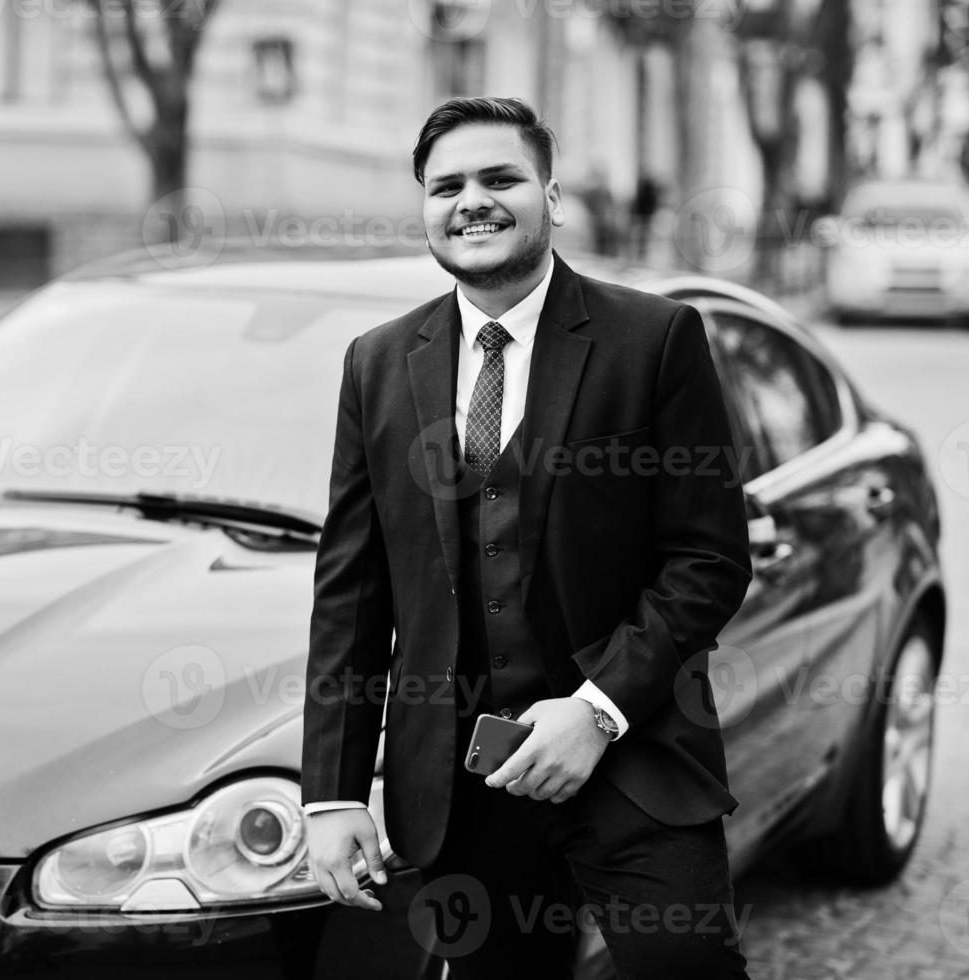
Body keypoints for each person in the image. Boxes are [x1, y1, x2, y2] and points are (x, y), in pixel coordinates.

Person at [300, 97, 753, 978]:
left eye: (499, 178)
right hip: (462, 788)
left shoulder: (654, 339)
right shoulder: (377, 361)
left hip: (633, 759)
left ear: (551, 195)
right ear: (425, 209)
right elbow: (350, 594)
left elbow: (707, 559)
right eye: (446, 186)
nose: (471, 200)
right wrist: (332, 793)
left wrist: (595, 710)